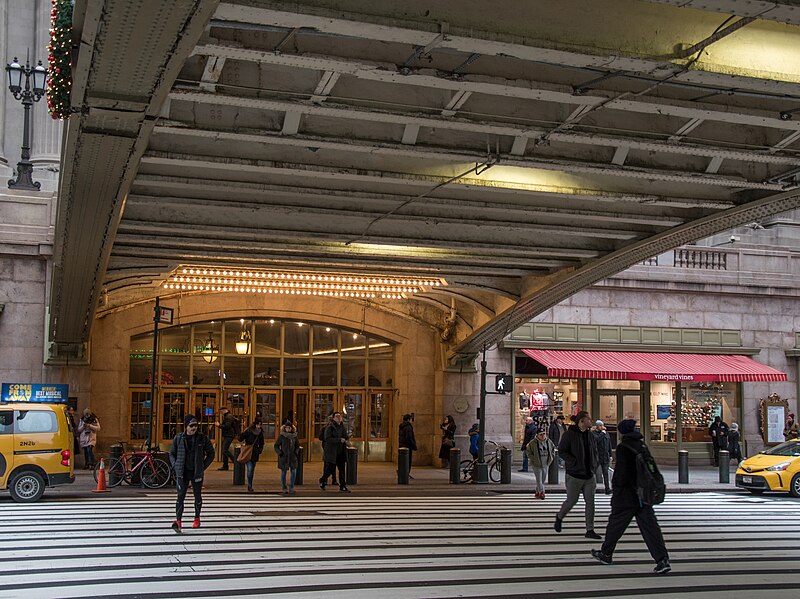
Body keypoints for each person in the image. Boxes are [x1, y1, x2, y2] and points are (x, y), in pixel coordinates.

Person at [591, 418, 671, 575]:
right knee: (650, 528)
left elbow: (622, 474)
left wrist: (616, 489)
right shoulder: (642, 446)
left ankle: (606, 554)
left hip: (627, 495)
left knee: (615, 525)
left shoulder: (624, 448)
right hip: (643, 495)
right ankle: (662, 559)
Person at [554, 410, 601, 539]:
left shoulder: (590, 435)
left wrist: (594, 464)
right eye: (588, 419)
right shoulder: (570, 434)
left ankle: (589, 529)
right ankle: (559, 517)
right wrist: (573, 461)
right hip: (575, 474)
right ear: (582, 421)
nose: (591, 421)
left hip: (589, 474)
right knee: (571, 501)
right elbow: (562, 451)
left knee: (590, 502)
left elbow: (594, 450)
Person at [169, 415, 214, 533]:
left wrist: (203, 466)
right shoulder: (178, 438)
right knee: (180, 496)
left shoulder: (202, 438)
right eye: (191, 426)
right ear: (186, 426)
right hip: (182, 472)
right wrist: (175, 465)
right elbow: (172, 453)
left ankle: (197, 518)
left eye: (196, 425)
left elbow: (211, 453)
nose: (194, 428)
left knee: (197, 496)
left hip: (196, 472)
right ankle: (178, 521)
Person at [320, 411, 350, 492]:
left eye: (340, 416)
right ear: (333, 418)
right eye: (337, 416)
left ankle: (343, 486)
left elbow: (345, 436)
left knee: (342, 470)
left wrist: (346, 439)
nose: (339, 418)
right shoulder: (330, 427)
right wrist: (339, 440)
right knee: (330, 470)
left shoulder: (342, 426)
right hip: (332, 452)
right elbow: (327, 439)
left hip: (340, 452)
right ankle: (323, 480)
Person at [238, 418, 265, 492]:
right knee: (250, 469)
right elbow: (240, 438)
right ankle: (250, 485)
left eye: (260, 425)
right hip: (248, 451)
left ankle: (250, 483)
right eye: (257, 424)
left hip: (255, 452)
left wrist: (260, 450)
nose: (258, 426)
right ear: (254, 424)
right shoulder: (249, 431)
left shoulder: (260, 433)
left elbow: (262, 443)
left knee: (252, 469)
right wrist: (243, 432)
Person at [526, 429, 555, 499]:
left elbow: (553, 449)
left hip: (546, 463)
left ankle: (537, 491)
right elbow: (528, 452)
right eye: (541, 434)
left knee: (543, 479)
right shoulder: (533, 443)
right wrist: (533, 459)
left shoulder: (549, 441)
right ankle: (542, 492)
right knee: (539, 479)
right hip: (536, 464)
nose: (543, 436)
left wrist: (551, 458)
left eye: (544, 434)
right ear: (537, 435)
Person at [274, 420, 300, 495]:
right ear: (284, 428)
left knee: (294, 471)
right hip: (284, 456)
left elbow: (297, 445)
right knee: (283, 472)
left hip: (292, 456)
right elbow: (276, 445)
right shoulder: (282, 436)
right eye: (286, 428)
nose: (288, 429)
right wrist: (280, 453)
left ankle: (291, 487)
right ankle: (284, 487)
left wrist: (296, 452)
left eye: (289, 428)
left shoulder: (294, 436)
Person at [593, 420, 613, 495]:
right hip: (597, 456)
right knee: (593, 472)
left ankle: (607, 489)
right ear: (597, 427)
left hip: (605, 456)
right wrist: (602, 433)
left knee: (605, 473)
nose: (602, 427)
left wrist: (610, 455)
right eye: (601, 426)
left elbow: (609, 445)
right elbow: (597, 440)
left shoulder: (606, 434)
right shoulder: (594, 434)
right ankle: (592, 488)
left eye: (602, 425)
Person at [399, 414, 418, 478]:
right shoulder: (408, 427)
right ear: (408, 420)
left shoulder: (402, 426)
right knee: (408, 461)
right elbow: (409, 437)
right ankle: (406, 474)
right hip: (407, 446)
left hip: (402, 445)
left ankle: (403, 473)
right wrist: (413, 445)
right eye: (411, 419)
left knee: (403, 461)